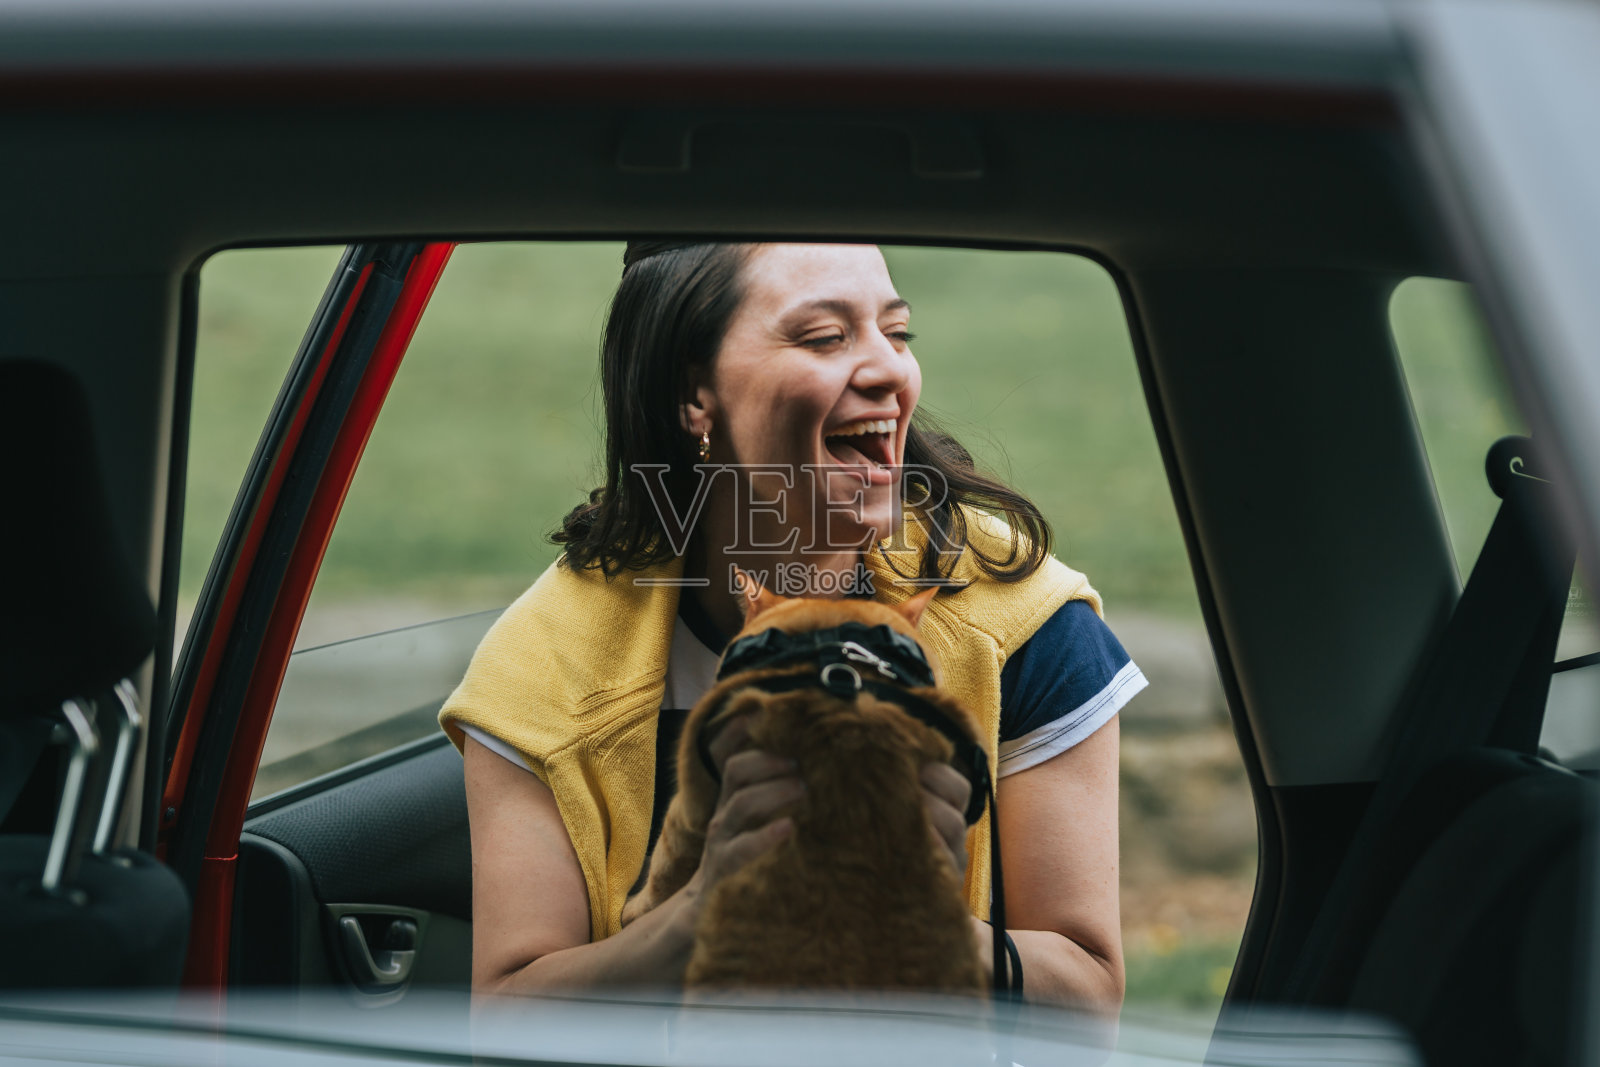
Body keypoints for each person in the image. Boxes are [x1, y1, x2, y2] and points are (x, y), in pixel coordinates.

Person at [439, 242, 1145, 1014]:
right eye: (825, 337)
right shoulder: (546, 663)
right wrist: (704, 909)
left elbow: (1089, 996)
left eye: (896, 332)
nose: (888, 370)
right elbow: (506, 1017)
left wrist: (916, 913)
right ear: (694, 393)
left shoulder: (1020, 620)